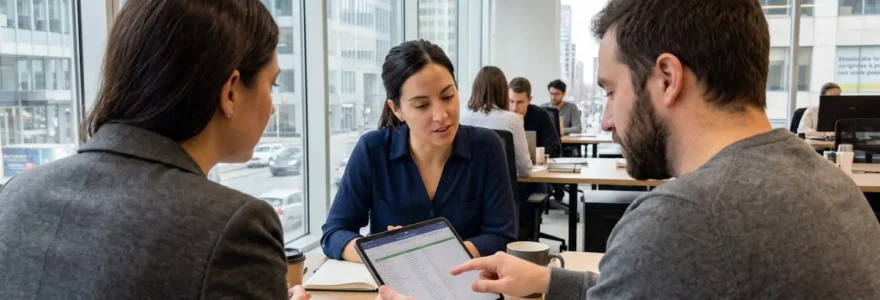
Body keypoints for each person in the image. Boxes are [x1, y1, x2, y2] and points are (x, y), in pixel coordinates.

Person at [379, 0, 880, 299]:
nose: (607, 120)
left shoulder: (682, 220)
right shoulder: (832, 186)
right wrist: (550, 283)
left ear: (666, 78)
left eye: (610, 91)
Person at [0, 1, 309, 299]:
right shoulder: (234, 227)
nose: (273, 108)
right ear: (230, 91)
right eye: (273, 85)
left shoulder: (15, 195)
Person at [320, 40, 516, 263]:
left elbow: (501, 237)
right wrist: (382, 251)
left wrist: (425, 253)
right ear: (397, 109)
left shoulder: (486, 146)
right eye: (422, 105)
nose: (441, 115)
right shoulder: (373, 150)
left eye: (448, 97)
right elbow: (334, 233)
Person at [460, 66, 532, 177]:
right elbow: (525, 171)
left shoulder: (461, 117)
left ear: (475, 88)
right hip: (500, 191)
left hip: (466, 191)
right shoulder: (512, 120)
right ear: (503, 91)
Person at [509, 77, 562, 158]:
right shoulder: (502, 115)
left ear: (529, 100)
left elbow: (555, 149)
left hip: (534, 166)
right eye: (511, 101)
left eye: (520, 102)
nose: (514, 108)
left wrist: (531, 153)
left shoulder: (540, 115)